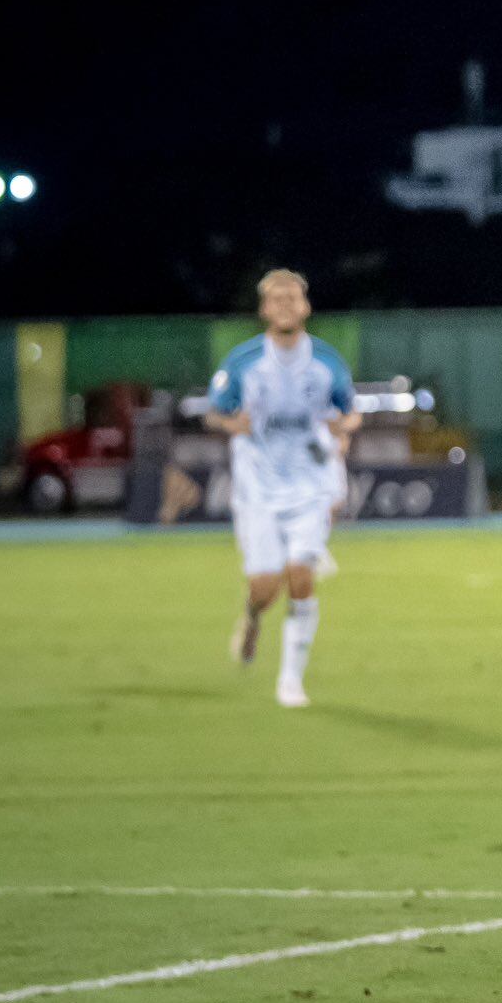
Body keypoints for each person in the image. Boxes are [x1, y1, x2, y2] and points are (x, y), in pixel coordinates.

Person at [204, 270, 360, 709]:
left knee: (302, 575)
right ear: (264, 310)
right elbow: (214, 414)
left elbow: (351, 413)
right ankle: (252, 616)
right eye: (278, 299)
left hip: (309, 485)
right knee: (264, 585)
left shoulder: (327, 362)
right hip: (258, 487)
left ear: (306, 306)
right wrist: (233, 423)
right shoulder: (243, 361)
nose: (287, 305)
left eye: (293, 297)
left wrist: (343, 427)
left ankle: (291, 680)